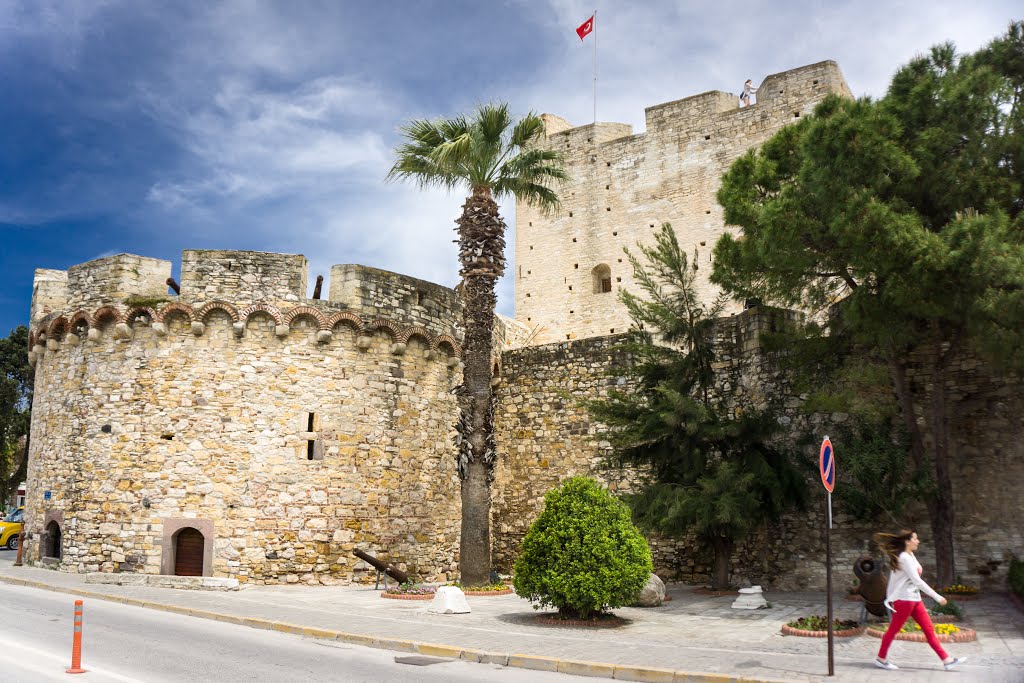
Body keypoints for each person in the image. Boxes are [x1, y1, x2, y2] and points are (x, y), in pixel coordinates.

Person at [873, 530, 966, 671]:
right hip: (904, 600)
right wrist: (937, 597)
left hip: (914, 599)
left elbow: (914, 580)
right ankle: (881, 659)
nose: (918, 541)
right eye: (915, 539)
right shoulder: (904, 557)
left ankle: (947, 660)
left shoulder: (911, 555)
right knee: (893, 630)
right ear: (907, 541)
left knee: (929, 629)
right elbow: (917, 581)